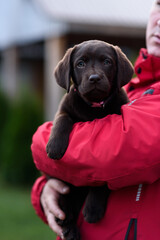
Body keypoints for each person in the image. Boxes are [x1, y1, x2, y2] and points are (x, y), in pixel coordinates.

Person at [31, 0, 160, 239]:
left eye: (105, 63)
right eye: (159, 4)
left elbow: (106, 157)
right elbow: (52, 147)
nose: (93, 74)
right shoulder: (132, 90)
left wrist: (42, 142)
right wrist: (44, 190)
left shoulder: (128, 100)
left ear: (118, 71)